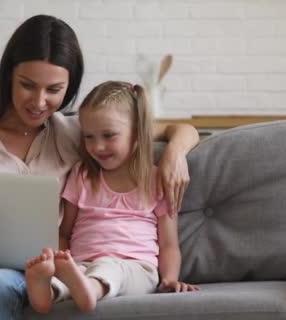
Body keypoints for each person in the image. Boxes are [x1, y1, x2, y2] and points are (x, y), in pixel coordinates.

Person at [0, 15, 199, 320]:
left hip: (20, 270)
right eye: (27, 85)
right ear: (8, 76)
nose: (39, 102)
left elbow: (171, 129)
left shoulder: (75, 134)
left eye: (54, 89)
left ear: (70, 87)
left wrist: (175, 153)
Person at [25, 81, 200, 314]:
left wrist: (169, 279)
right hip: (82, 265)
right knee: (75, 273)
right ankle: (48, 292)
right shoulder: (82, 175)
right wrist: (59, 262)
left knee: (109, 268)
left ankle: (90, 290)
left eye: (109, 135)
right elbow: (64, 233)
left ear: (137, 133)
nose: (98, 146)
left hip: (136, 268)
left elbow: (169, 244)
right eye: (89, 137)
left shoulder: (156, 180)